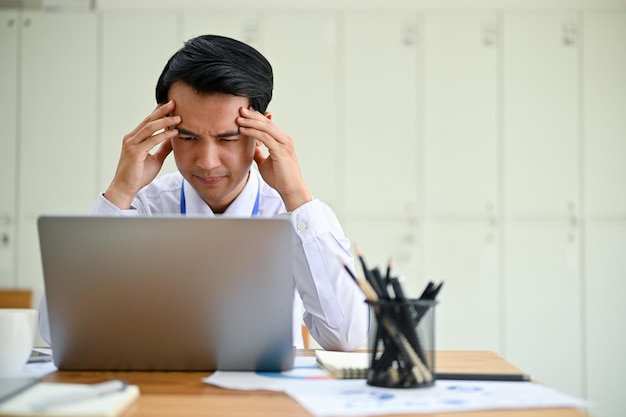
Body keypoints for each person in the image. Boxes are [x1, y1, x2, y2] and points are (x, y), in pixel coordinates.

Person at [39, 34, 368, 351]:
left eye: (227, 139)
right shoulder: (141, 209)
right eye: (188, 138)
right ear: (165, 130)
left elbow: (347, 337)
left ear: (262, 131)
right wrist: (119, 193)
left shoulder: (297, 217)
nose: (207, 162)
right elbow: (56, 331)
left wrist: (296, 195)